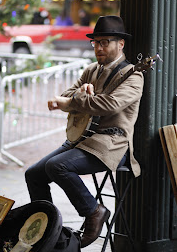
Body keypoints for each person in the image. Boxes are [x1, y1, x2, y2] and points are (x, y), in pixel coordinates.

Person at [25, 15, 144, 248]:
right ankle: (49, 231)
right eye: (95, 42)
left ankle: (94, 212)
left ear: (121, 44)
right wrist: (79, 95)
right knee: (33, 174)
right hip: (82, 139)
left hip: (112, 143)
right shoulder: (91, 70)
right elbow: (65, 97)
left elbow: (108, 105)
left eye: (104, 42)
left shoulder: (134, 75)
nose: (98, 47)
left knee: (57, 166)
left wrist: (76, 99)